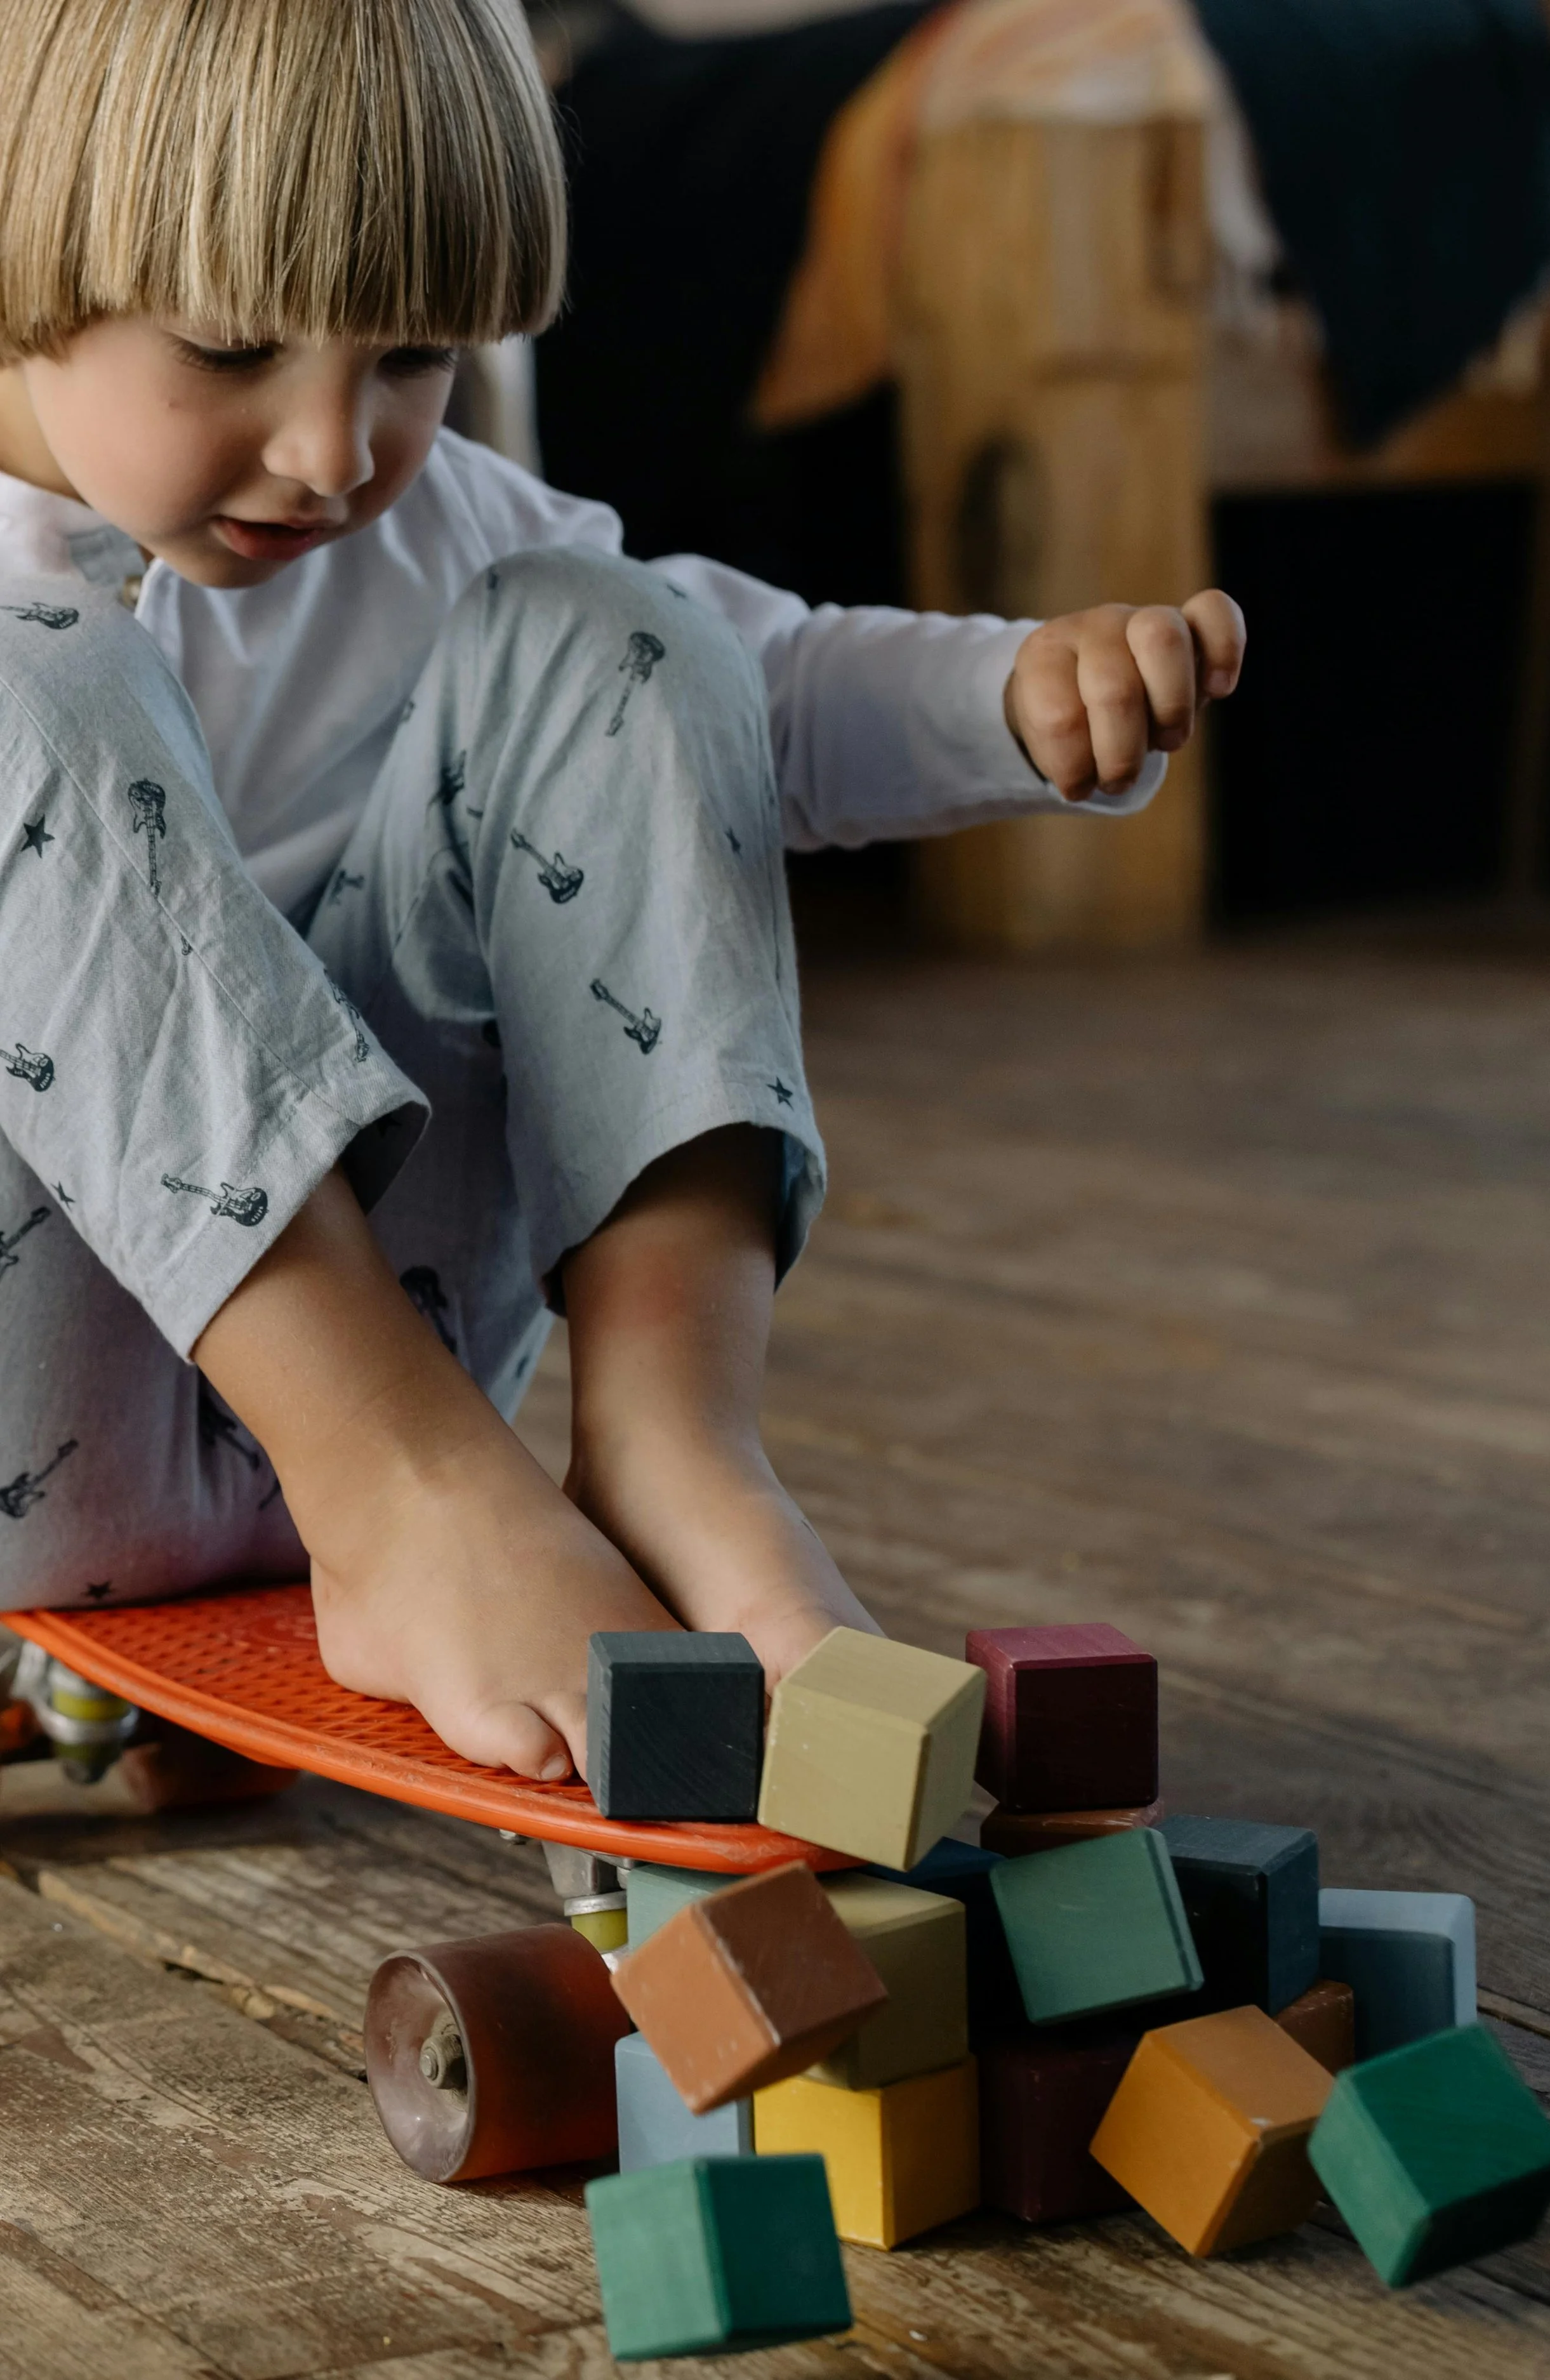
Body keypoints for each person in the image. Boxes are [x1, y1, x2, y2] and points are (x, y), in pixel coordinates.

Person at [0, 0, 1243, 1787]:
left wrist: (1012, 695)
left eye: (414, 358)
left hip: (419, 1377)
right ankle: (395, 1492)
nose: (334, 450)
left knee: (624, 635)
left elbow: (764, 697)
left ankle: (672, 1445)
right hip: (61, 1404)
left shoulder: (426, 531)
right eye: (234, 343)